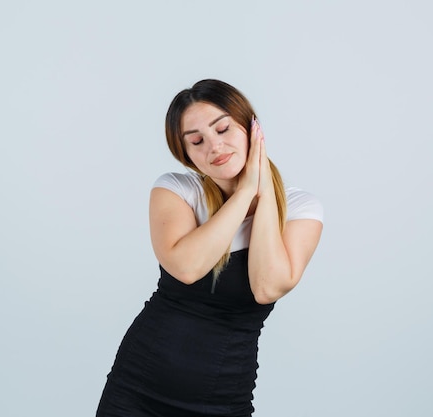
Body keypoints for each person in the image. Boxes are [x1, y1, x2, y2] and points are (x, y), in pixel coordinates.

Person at [96, 79, 323, 417]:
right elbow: (186, 268)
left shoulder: (300, 208)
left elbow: (267, 286)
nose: (215, 147)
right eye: (197, 141)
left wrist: (262, 195)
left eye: (223, 129)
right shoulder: (176, 190)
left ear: (251, 128)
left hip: (221, 398)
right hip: (136, 389)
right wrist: (245, 192)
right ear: (186, 155)